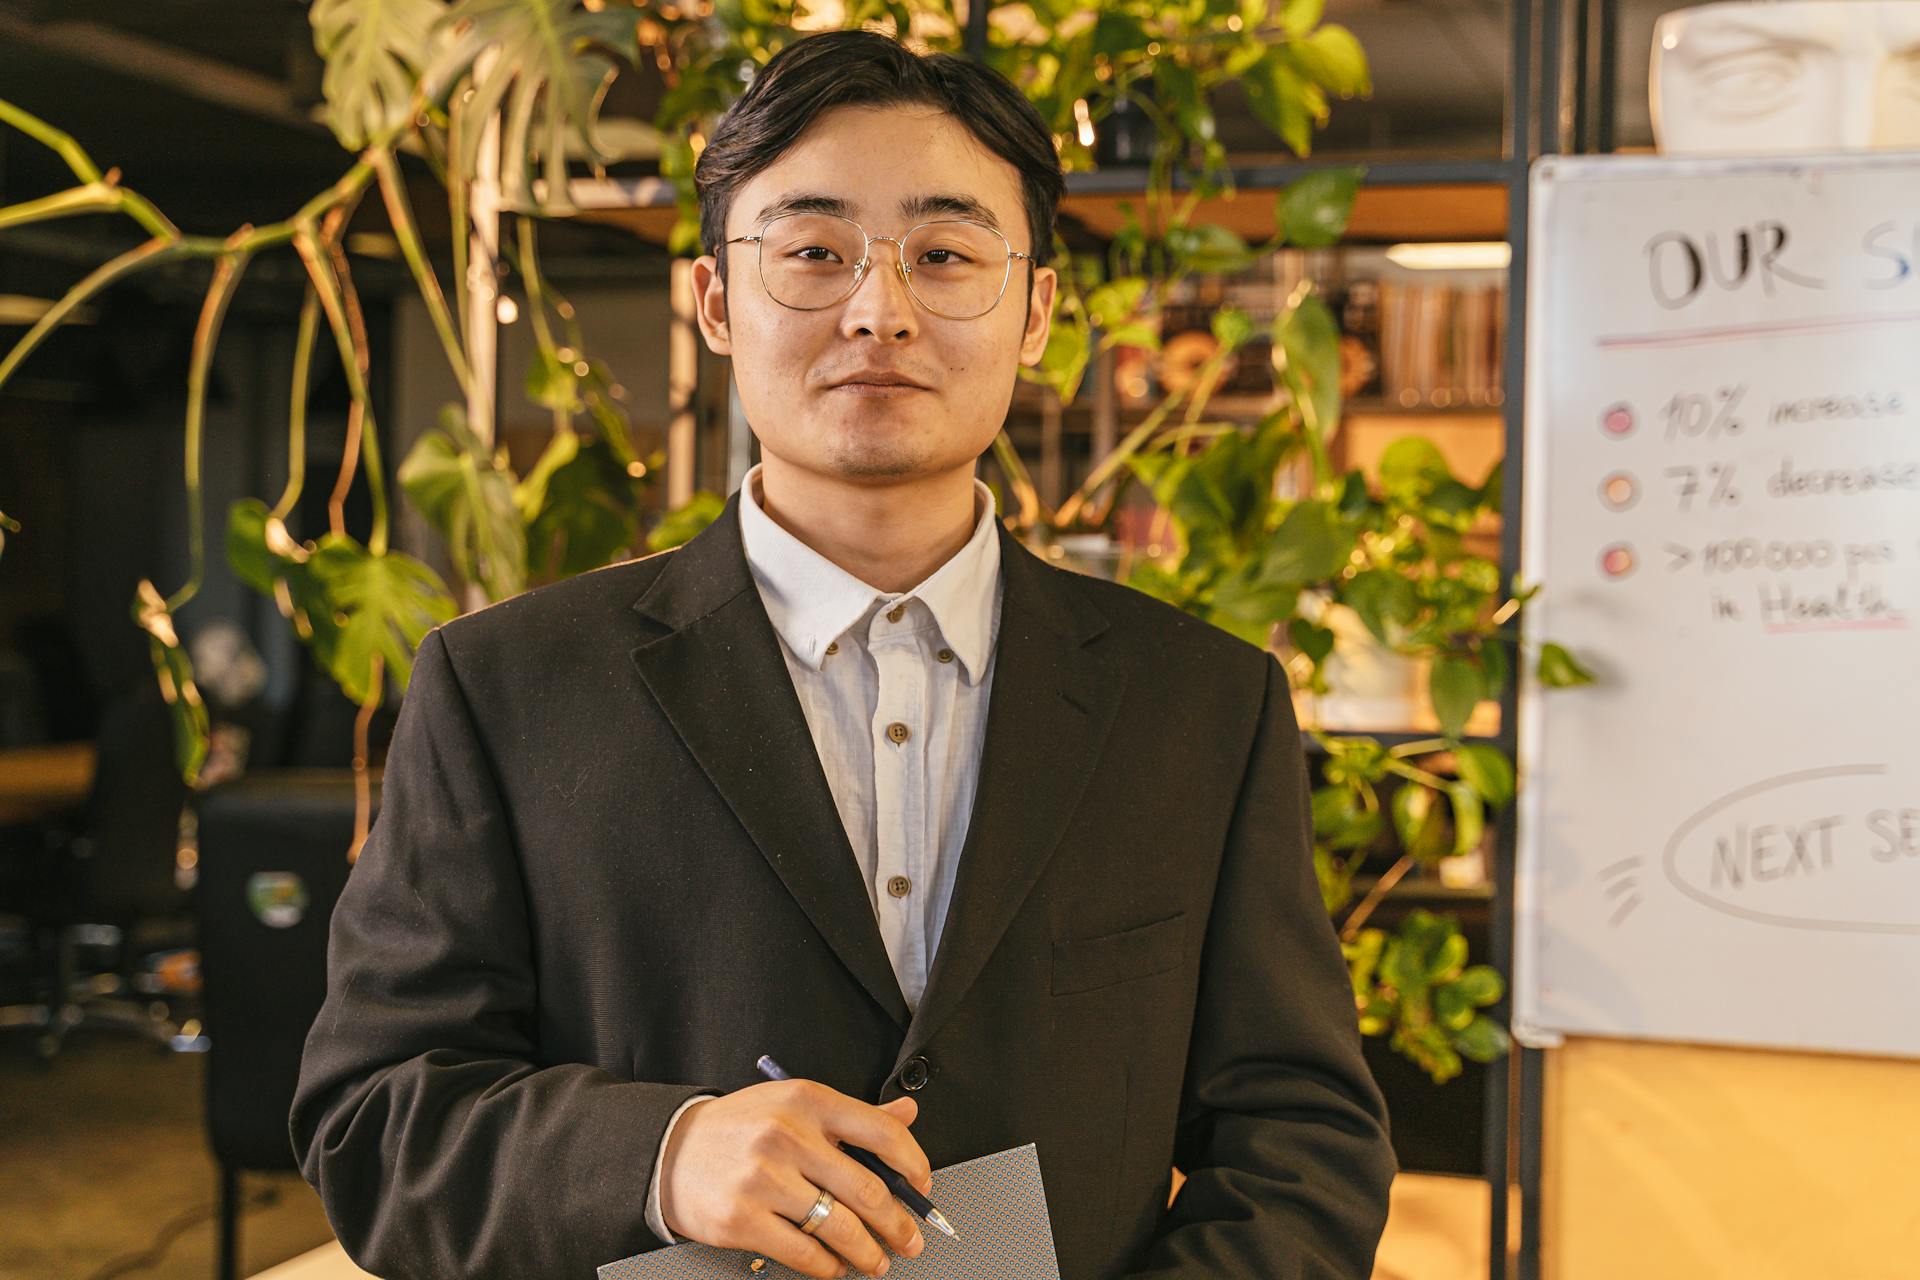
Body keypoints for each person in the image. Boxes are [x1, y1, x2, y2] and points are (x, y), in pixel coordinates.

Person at [291, 29, 1396, 1280]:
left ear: (1035, 309)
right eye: (812, 253)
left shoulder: (1201, 704)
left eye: (945, 254)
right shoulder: (507, 689)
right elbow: (374, 1118)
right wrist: (662, 1151)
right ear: (716, 301)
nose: (880, 309)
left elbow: (1301, 1137)